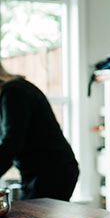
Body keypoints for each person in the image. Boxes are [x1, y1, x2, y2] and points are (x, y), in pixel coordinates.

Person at [0, 61, 79, 200]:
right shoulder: (10, 92)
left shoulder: (14, 92)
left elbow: (12, 143)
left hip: (52, 172)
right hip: (41, 172)